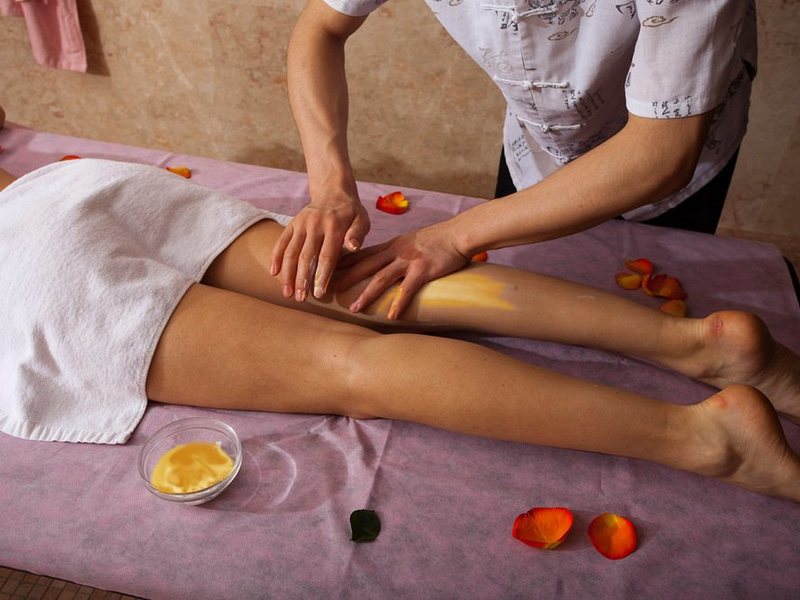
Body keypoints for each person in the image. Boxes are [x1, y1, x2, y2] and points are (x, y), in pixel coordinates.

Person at [0, 157, 798, 502]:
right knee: (372, 288)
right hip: (64, 188)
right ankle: (699, 343)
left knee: (349, 366)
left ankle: (706, 439)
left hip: (24, 262)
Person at [275, 0, 756, 319]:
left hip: (680, 159)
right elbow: (321, 29)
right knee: (522, 298)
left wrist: (454, 236)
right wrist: (330, 188)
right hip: (536, 145)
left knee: (657, 316)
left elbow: (662, 156)